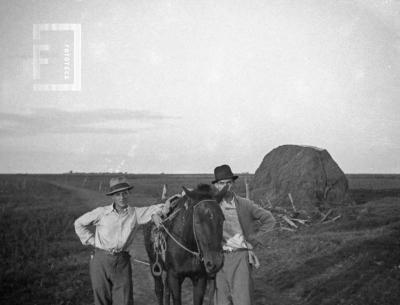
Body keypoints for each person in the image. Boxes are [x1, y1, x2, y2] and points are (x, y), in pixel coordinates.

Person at [74, 176, 166, 305]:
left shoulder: (135, 213)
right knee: (101, 299)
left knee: (124, 300)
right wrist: (92, 241)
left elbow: (160, 207)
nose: (122, 197)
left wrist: (155, 214)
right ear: (112, 196)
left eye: (125, 193)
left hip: (122, 262)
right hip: (100, 261)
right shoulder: (102, 212)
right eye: (118, 194)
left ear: (129, 194)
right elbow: (79, 223)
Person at [212, 165, 276, 305]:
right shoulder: (211, 206)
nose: (225, 186)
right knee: (221, 301)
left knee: (243, 300)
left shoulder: (245, 204)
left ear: (233, 183)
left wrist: (253, 241)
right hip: (219, 259)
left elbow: (269, 220)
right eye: (222, 183)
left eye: (228, 182)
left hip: (240, 257)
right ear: (216, 185)